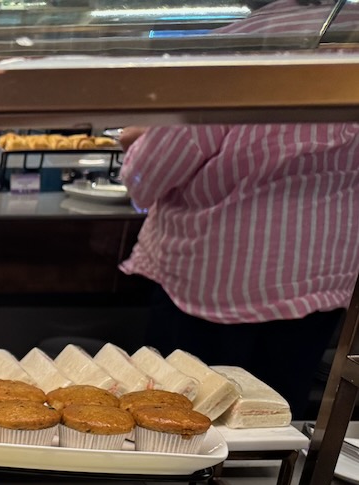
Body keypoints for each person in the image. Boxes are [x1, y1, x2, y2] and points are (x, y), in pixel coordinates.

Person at [118, 123, 359, 415]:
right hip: (321, 272)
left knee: (180, 416)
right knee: (273, 418)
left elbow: (148, 175)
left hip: (217, 280)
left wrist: (138, 145)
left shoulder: (227, 78)